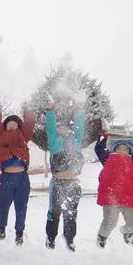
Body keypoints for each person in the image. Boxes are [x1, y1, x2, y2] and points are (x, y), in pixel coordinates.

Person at [45, 102, 85, 252]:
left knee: (71, 213)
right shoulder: (55, 143)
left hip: (73, 184)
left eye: (65, 127)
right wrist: (50, 111)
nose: (62, 129)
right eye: (59, 127)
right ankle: (50, 237)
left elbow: (79, 128)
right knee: (54, 212)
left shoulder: (76, 142)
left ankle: (69, 238)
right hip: (58, 183)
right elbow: (50, 128)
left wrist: (79, 110)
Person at [0, 107, 35, 245]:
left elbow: (30, 123)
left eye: (15, 123)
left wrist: (27, 106)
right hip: (6, 178)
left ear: (19, 126)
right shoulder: (0, 137)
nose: (12, 124)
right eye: (9, 123)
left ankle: (19, 232)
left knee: (21, 207)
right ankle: (1, 227)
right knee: (4, 205)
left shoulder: (23, 136)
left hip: (22, 178)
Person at [94, 124, 133, 247]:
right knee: (110, 222)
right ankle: (102, 236)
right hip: (111, 196)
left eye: (126, 149)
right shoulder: (108, 158)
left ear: (130, 151)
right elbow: (99, 149)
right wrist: (104, 135)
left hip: (128, 198)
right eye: (120, 148)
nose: (123, 150)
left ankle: (127, 232)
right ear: (114, 150)